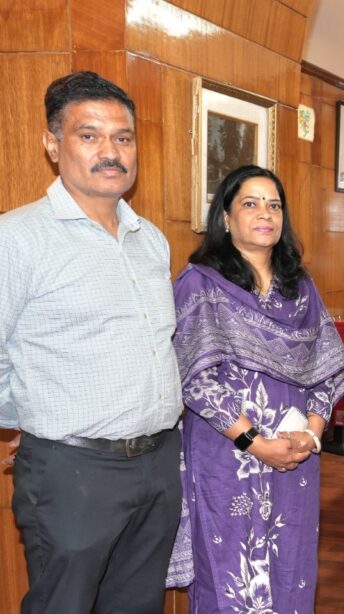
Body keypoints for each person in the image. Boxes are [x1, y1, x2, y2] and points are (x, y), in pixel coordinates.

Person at [0, 71, 183, 613]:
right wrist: (36, 419)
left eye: (123, 137)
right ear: (52, 144)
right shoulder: (17, 238)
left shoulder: (150, 239)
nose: (111, 152)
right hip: (72, 474)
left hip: (157, 463)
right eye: (89, 135)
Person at [168, 164, 344, 611]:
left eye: (274, 205)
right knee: (227, 572)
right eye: (250, 204)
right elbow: (194, 379)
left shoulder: (300, 288)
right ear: (225, 217)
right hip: (227, 454)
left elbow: (326, 368)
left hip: (294, 454)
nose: (265, 214)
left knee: (291, 567)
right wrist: (254, 442)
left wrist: (311, 434)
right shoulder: (200, 284)